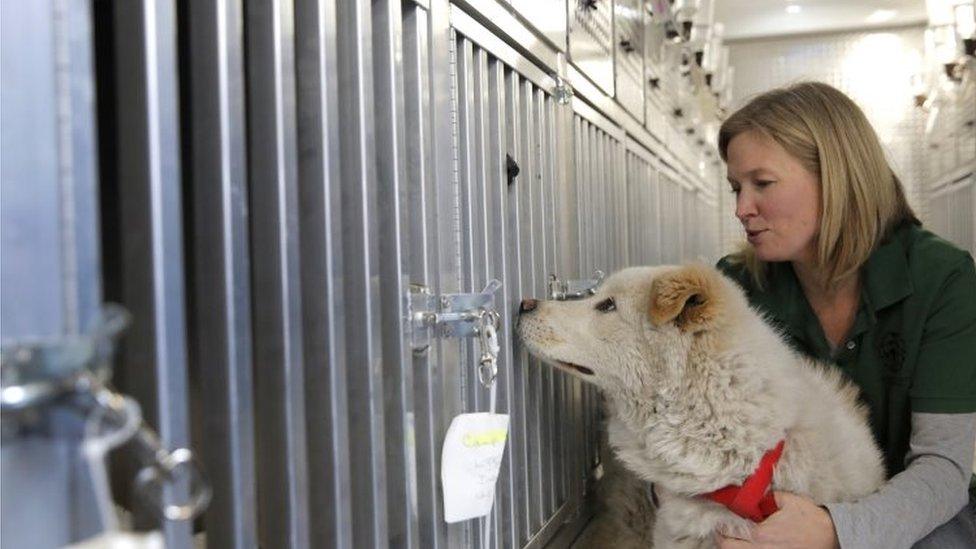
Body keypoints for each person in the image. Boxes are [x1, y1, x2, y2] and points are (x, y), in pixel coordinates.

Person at [713, 81, 976, 548]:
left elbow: (943, 467)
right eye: (736, 187)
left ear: (835, 176)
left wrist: (837, 530)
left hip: (911, 508)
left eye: (762, 184)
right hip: (775, 509)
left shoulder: (943, 277)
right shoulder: (737, 286)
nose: (741, 208)